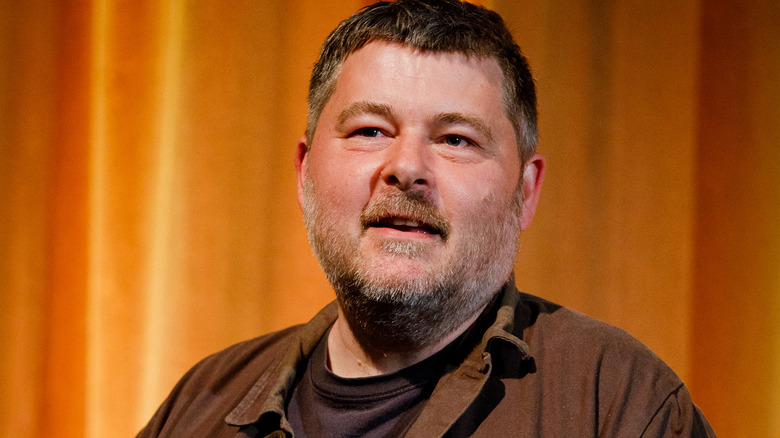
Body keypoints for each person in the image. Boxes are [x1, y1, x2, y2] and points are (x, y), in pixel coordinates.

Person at [138, 0, 715, 436]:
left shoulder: (621, 404)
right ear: (305, 170)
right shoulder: (201, 404)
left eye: (456, 139)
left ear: (526, 191)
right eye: (370, 131)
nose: (406, 168)